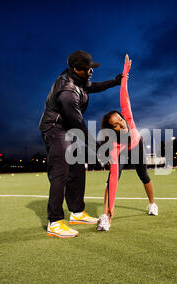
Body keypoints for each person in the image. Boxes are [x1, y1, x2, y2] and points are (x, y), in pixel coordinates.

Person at [39, 50, 123, 238]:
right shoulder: (67, 91)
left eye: (91, 68)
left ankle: (77, 213)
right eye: (87, 69)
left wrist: (114, 82)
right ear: (76, 69)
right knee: (61, 171)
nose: (91, 72)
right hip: (55, 128)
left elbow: (93, 87)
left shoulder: (79, 79)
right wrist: (99, 149)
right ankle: (54, 221)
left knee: (77, 168)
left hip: (68, 128)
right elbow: (79, 125)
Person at [97, 54, 158, 231]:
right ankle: (105, 216)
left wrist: (125, 73)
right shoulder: (115, 146)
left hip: (137, 145)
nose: (120, 124)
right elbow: (114, 179)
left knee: (143, 175)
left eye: (120, 120)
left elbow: (124, 95)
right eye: (115, 125)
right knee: (110, 180)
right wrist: (111, 210)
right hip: (123, 149)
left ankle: (152, 203)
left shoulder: (128, 119)